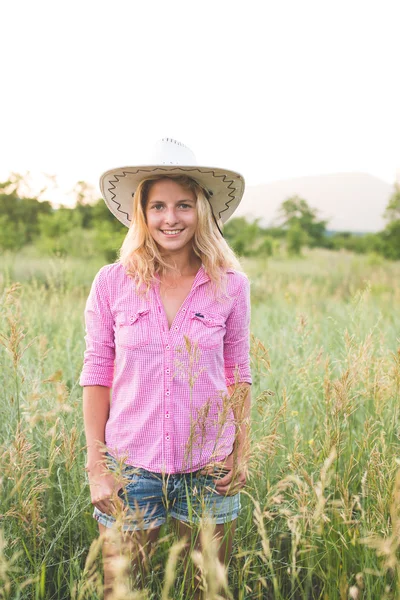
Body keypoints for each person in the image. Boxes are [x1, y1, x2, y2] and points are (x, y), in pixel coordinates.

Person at [80, 138, 252, 598]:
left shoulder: (231, 285)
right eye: (158, 206)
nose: (170, 218)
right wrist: (97, 466)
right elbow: (97, 373)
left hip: (208, 465)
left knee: (208, 590)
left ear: (201, 210)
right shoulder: (112, 282)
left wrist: (242, 448)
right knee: (123, 590)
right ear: (142, 212)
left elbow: (238, 370)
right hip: (131, 467)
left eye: (182, 205)